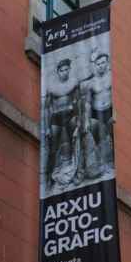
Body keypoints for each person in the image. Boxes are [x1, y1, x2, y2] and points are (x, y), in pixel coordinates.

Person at [44, 58, 81, 188]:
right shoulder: (52, 87)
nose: (64, 72)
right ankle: (49, 177)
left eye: (66, 70)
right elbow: (47, 108)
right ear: (58, 71)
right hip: (56, 117)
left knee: (76, 142)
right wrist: (47, 128)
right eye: (62, 70)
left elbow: (78, 102)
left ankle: (77, 173)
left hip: (70, 114)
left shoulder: (74, 83)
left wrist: (79, 121)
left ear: (69, 70)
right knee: (53, 148)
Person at [81, 51, 114, 174]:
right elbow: (88, 103)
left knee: (112, 132)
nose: (101, 66)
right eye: (98, 64)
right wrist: (86, 120)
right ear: (95, 65)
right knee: (99, 136)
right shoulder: (91, 83)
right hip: (97, 112)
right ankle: (102, 164)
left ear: (107, 62)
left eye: (103, 62)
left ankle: (110, 163)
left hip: (110, 110)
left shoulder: (112, 76)